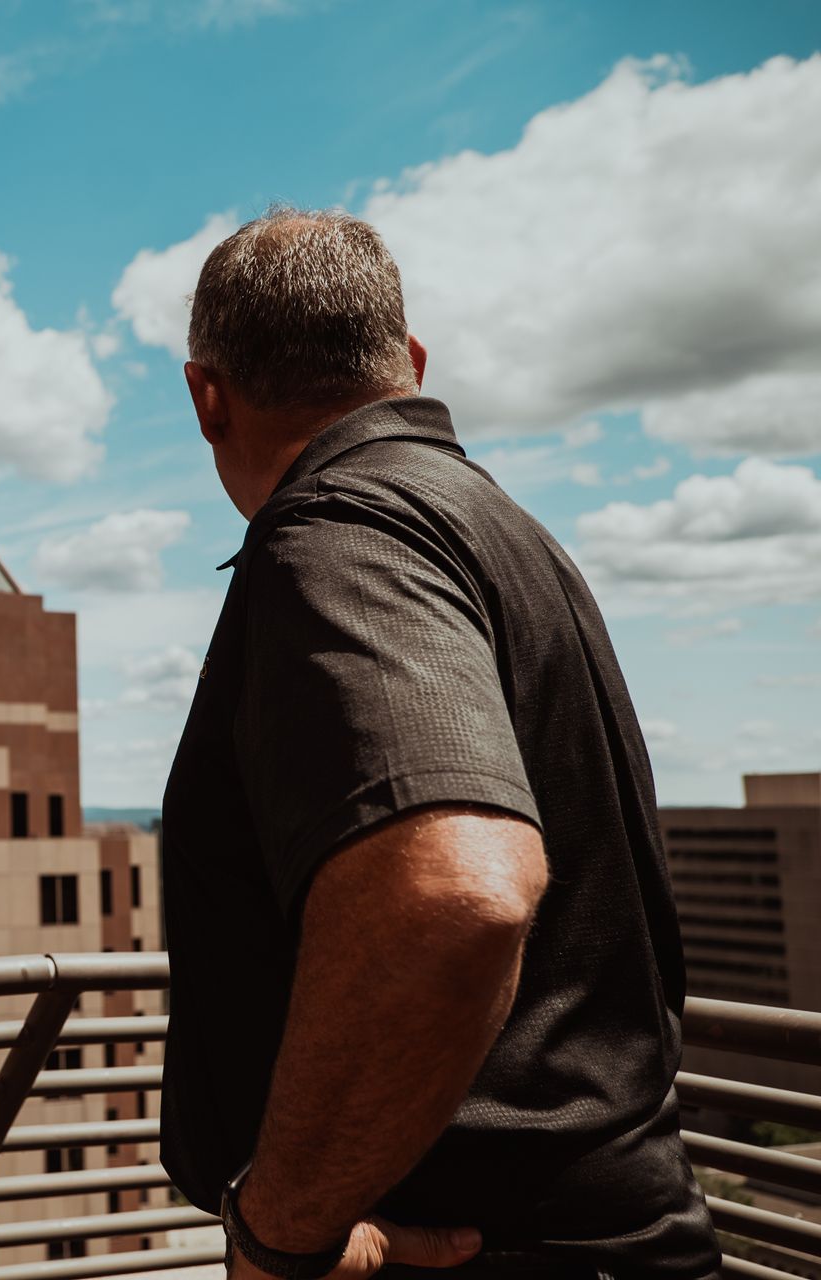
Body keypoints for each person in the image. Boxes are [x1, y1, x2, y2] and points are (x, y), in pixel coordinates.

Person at [158, 208, 718, 1280]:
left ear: (207, 396)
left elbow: (457, 892)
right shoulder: (505, 533)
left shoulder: (341, 535)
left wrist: (283, 1230)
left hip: (475, 1252)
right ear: (410, 364)